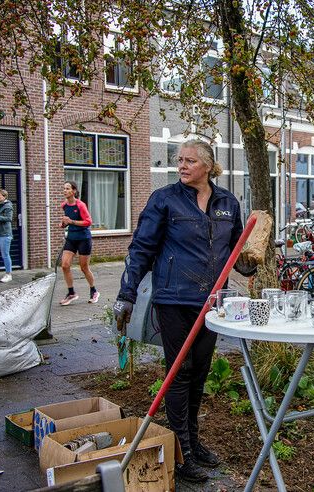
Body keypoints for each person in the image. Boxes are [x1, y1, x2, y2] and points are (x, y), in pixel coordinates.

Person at [112, 140, 255, 483]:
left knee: (201, 371)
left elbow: (237, 249)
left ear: (208, 165)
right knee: (180, 372)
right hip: (174, 299)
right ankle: (182, 452)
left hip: (211, 303)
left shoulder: (226, 202)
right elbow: (141, 249)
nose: (182, 165)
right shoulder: (164, 199)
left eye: (190, 160)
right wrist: (126, 294)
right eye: (180, 160)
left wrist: (250, 263)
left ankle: (193, 442)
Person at [58, 181, 99, 305]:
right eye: (64, 188)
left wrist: (72, 221)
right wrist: (63, 223)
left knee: (84, 267)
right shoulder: (64, 205)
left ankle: (94, 291)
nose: (65, 191)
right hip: (71, 238)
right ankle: (71, 293)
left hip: (83, 239)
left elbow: (88, 221)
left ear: (74, 191)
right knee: (65, 265)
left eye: (67, 188)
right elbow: (66, 223)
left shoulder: (80, 205)